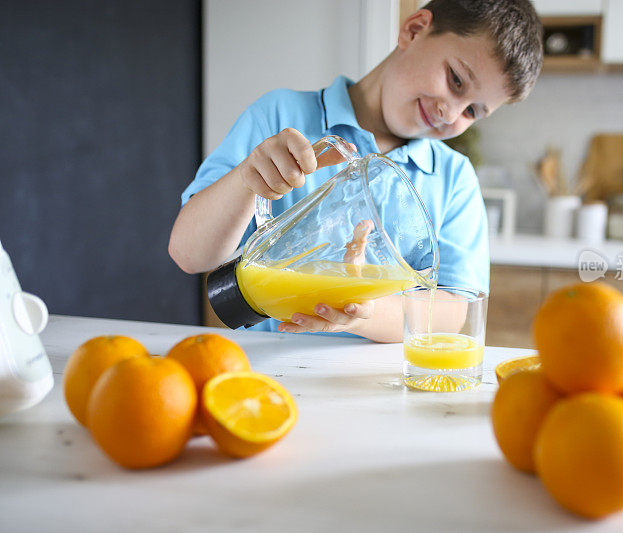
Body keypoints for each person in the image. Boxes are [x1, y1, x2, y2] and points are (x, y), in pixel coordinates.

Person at [168, 0, 543, 342]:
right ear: (413, 30)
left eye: (473, 111)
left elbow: (453, 310)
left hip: (381, 388)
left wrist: (362, 313)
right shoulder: (281, 117)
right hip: (274, 370)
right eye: (456, 80)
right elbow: (189, 254)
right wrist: (248, 178)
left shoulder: (454, 177)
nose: (452, 112)